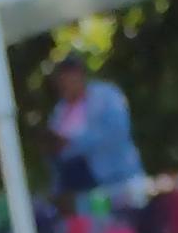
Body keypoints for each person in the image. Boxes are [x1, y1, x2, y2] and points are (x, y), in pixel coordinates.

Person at [49, 50, 146, 200]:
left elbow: (117, 132)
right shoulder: (59, 112)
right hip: (84, 191)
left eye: (69, 77)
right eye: (61, 80)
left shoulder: (107, 96)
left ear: (80, 75)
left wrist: (74, 143)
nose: (65, 84)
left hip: (120, 181)